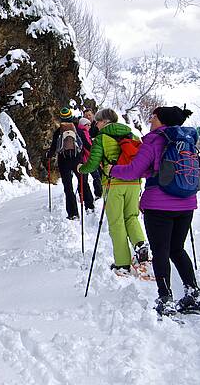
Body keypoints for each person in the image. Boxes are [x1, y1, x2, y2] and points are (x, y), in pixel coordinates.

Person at [107, 106, 200, 316]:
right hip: (186, 204)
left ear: (162, 120)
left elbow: (133, 170)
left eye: (153, 116)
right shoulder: (188, 141)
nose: (151, 120)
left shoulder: (154, 140)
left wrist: (112, 170)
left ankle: (165, 298)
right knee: (177, 249)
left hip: (158, 205)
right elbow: (198, 170)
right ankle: (194, 293)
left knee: (161, 251)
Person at [77, 108, 148, 277]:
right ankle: (140, 243)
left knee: (116, 223)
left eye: (98, 121)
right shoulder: (132, 136)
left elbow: (93, 164)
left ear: (105, 122)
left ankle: (122, 263)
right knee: (131, 217)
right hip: (134, 183)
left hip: (113, 183)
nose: (96, 124)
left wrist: (81, 168)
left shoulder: (101, 138)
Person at [46, 107, 94, 220]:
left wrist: (48, 155)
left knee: (68, 188)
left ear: (61, 119)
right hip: (78, 160)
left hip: (64, 161)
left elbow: (53, 148)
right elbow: (87, 145)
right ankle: (89, 206)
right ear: (71, 117)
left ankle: (73, 213)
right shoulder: (78, 129)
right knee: (83, 182)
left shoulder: (58, 132)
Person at [82, 110, 103, 199]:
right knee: (87, 177)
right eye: (86, 115)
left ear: (93, 115)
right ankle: (86, 196)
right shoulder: (82, 127)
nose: (88, 117)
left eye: (89, 115)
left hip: (96, 153)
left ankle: (99, 193)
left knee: (98, 175)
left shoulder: (96, 125)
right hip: (86, 155)